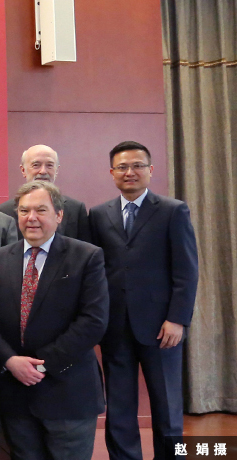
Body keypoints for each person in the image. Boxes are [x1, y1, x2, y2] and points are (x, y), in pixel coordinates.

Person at [0, 181, 108, 460]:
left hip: (68, 391)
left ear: (59, 215)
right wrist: (9, 360)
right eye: (24, 211)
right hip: (15, 393)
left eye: (40, 210)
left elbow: (93, 321)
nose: (31, 218)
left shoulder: (86, 256)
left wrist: (42, 364)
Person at [90, 141, 198, 460]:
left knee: (167, 406)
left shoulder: (172, 210)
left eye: (137, 165)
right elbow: (95, 271)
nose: (130, 172)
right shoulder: (99, 215)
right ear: (112, 173)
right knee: (120, 407)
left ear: (150, 170)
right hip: (115, 326)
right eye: (122, 167)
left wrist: (177, 319)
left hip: (162, 327)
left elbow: (186, 270)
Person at [0, 145, 92, 242]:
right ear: (23, 170)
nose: (43, 171)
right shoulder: (3, 212)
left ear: (57, 170)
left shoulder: (76, 209)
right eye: (36, 165)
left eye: (49, 165)